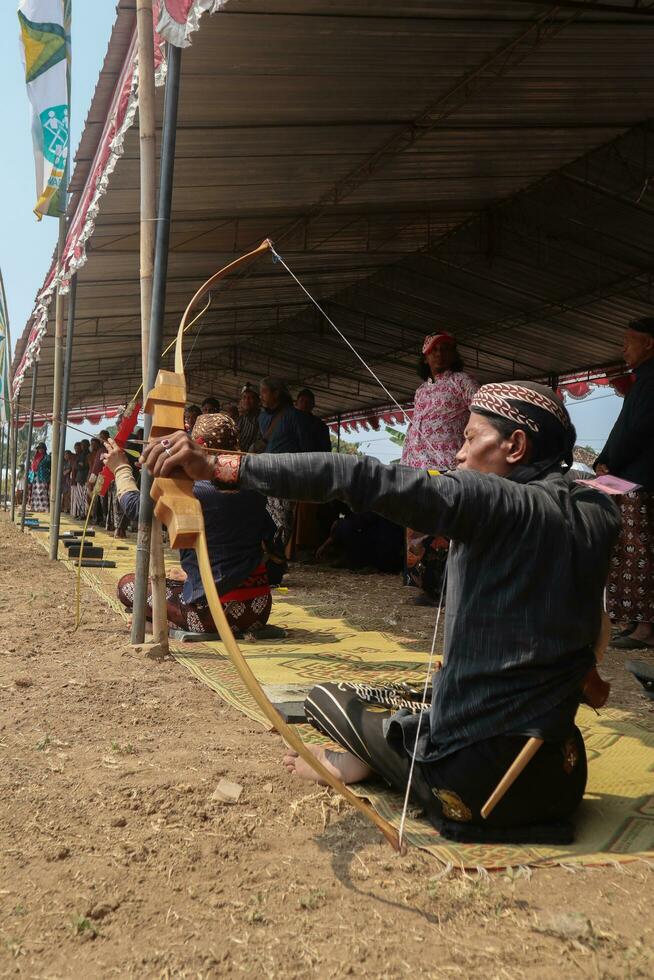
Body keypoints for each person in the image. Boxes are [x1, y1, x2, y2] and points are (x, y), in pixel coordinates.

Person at [142, 381, 620, 844]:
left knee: (329, 699)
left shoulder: (491, 501)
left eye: (471, 439)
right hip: (560, 776)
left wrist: (216, 466)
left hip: (477, 787)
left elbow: (354, 476)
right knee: (414, 694)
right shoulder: (597, 508)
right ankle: (389, 748)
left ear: (515, 445)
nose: (457, 454)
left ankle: (356, 761)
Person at [110, 413, 275, 636]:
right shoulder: (253, 486)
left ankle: (162, 625)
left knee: (128, 586)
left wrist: (121, 468)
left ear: (200, 447)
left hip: (210, 615)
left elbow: (137, 510)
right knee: (174, 581)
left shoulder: (191, 489)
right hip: (258, 610)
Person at [401, 332, 479, 605]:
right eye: (435, 350)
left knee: (442, 529)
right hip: (416, 467)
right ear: (425, 356)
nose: (440, 354)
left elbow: (482, 414)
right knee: (418, 528)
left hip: (447, 465)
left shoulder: (462, 382)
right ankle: (426, 586)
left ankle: (445, 589)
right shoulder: (421, 390)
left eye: (447, 349)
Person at [595, 317, 654, 649]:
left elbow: (639, 429)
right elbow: (623, 428)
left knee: (640, 552)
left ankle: (645, 627)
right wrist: (603, 460)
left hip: (640, 479)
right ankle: (636, 622)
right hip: (631, 475)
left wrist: (610, 463)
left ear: (649, 343)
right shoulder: (642, 380)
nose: (623, 348)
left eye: (629, 341)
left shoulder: (652, 380)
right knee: (632, 551)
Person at [258, 377, 313, 558]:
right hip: (265, 475)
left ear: (276, 394)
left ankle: (278, 555)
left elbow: (306, 448)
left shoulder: (294, 417)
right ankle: (267, 555)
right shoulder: (262, 417)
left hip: (287, 475)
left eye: (264, 391)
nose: (261, 396)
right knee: (265, 515)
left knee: (283, 517)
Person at [295, 388, 332, 452]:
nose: (304, 405)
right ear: (296, 403)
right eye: (302, 401)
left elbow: (326, 449)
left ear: (313, 405)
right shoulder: (288, 422)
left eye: (308, 402)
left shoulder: (320, 425)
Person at [26, 442, 51, 512]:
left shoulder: (47, 457)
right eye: (39, 449)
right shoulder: (35, 457)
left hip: (43, 477)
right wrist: (30, 478)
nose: (40, 450)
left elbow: (50, 467)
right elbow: (32, 468)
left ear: (44, 449)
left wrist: (49, 475)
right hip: (35, 477)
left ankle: (44, 508)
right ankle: (36, 508)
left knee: (42, 492)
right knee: (35, 492)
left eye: (42, 448)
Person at [237, 383, 261, 453]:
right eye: (244, 397)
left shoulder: (262, 418)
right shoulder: (241, 419)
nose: (247, 401)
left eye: (250, 398)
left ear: (258, 401)